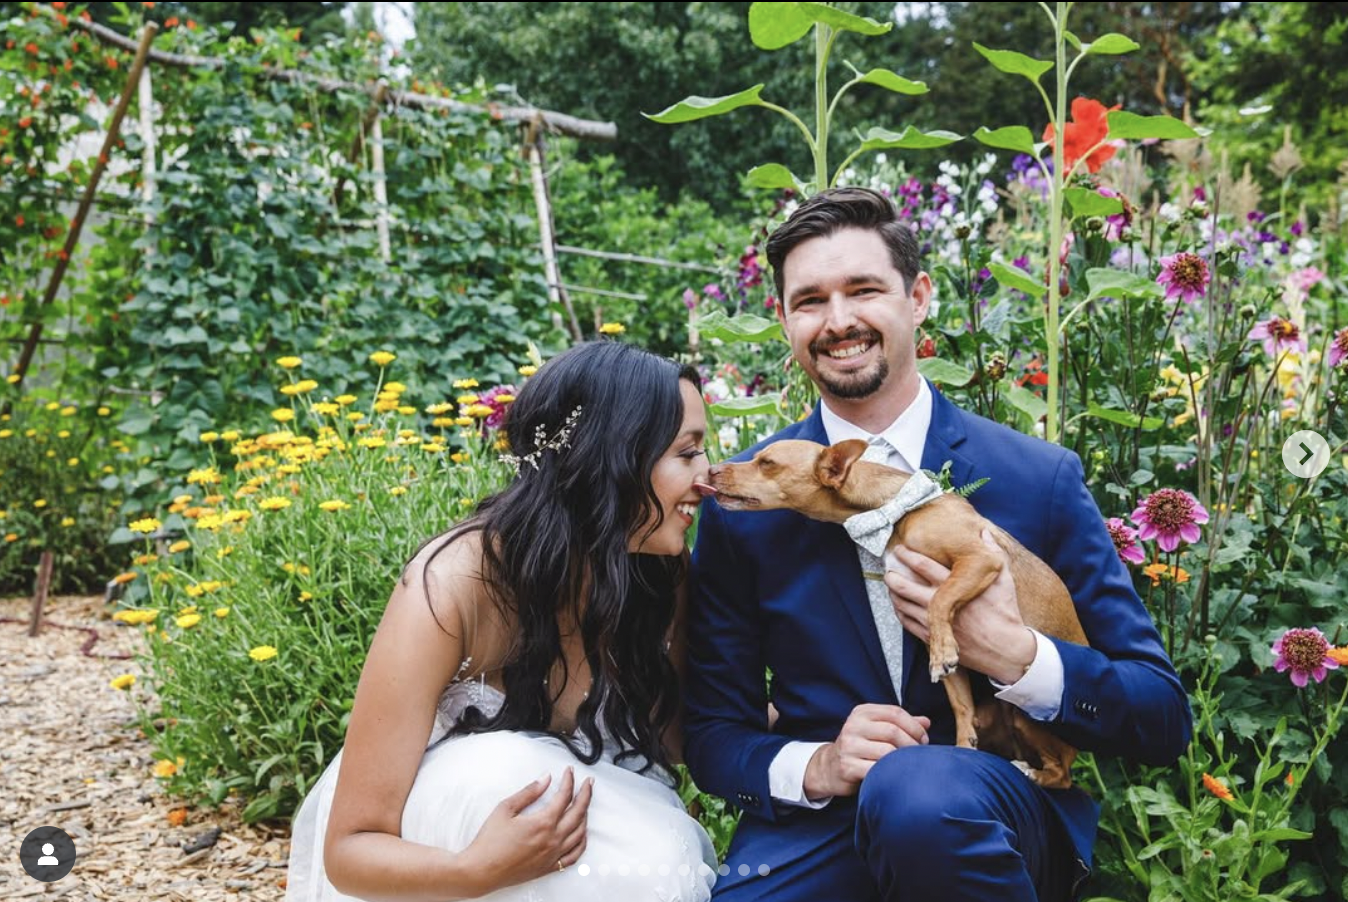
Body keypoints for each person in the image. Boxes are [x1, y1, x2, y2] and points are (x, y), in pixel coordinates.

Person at [685, 187, 1192, 901]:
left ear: (918, 298)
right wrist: (819, 764)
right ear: (785, 320)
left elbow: (1161, 716)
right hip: (815, 833)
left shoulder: (1038, 477)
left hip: (989, 815)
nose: (839, 320)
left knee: (919, 795)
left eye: (864, 290)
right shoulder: (747, 499)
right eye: (810, 301)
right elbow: (713, 733)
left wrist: (1018, 658)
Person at [287, 341, 719, 902]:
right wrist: (477, 869)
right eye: (687, 453)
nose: (709, 476)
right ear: (612, 456)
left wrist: (808, 721)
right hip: (441, 858)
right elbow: (350, 850)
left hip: (587, 844)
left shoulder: (658, 571)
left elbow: (679, 732)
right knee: (512, 774)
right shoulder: (452, 586)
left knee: (651, 854)